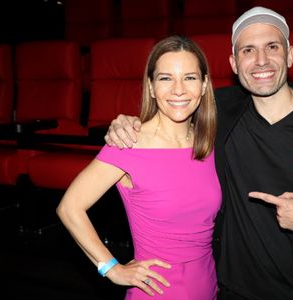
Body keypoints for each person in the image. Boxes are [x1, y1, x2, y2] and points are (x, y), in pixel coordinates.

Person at [104, 6, 293, 300]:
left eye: (272, 46)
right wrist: (128, 123)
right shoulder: (219, 110)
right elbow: (173, 104)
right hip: (229, 290)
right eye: (248, 50)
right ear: (234, 62)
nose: (260, 61)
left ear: (290, 54)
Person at [57, 35, 221, 299]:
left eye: (189, 78)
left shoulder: (209, 143)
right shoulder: (128, 143)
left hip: (207, 286)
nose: (178, 89)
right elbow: (69, 207)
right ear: (152, 87)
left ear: (203, 85)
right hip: (156, 290)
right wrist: (111, 268)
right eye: (166, 78)